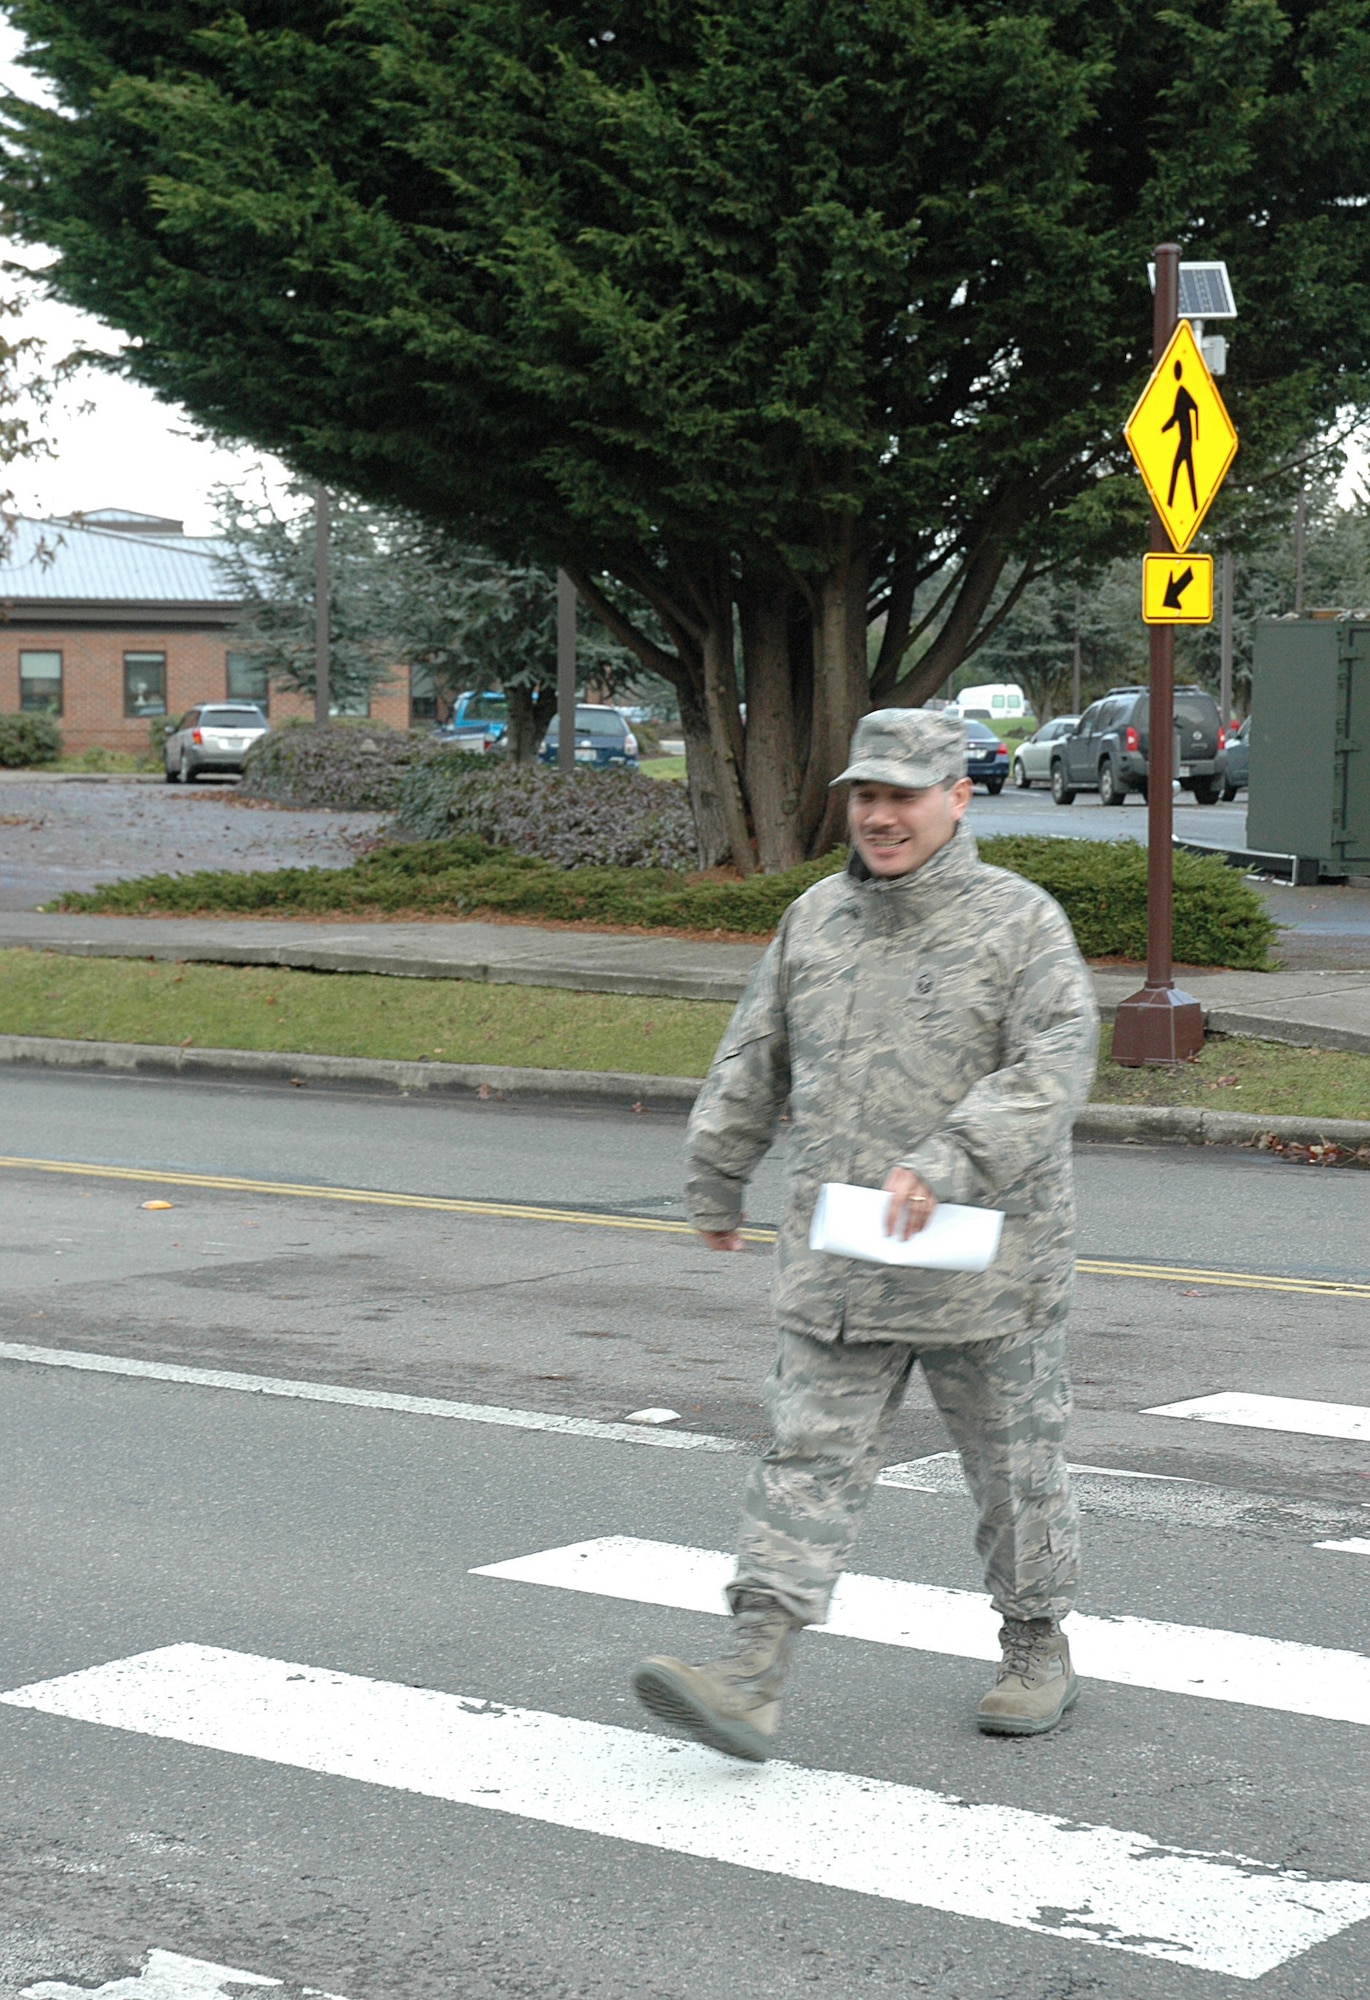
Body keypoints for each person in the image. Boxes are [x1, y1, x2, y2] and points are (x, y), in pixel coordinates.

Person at [632, 707, 1099, 1758]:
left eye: (901, 793)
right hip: (841, 1259)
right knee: (803, 1458)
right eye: (865, 794)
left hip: (985, 1261)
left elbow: (1051, 1068)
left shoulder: (1017, 922)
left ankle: (1034, 1642)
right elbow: (752, 1053)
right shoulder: (815, 918)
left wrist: (942, 1162)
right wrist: (716, 1172)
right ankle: (751, 1667)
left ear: (956, 798)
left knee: (1014, 1468)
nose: (879, 815)